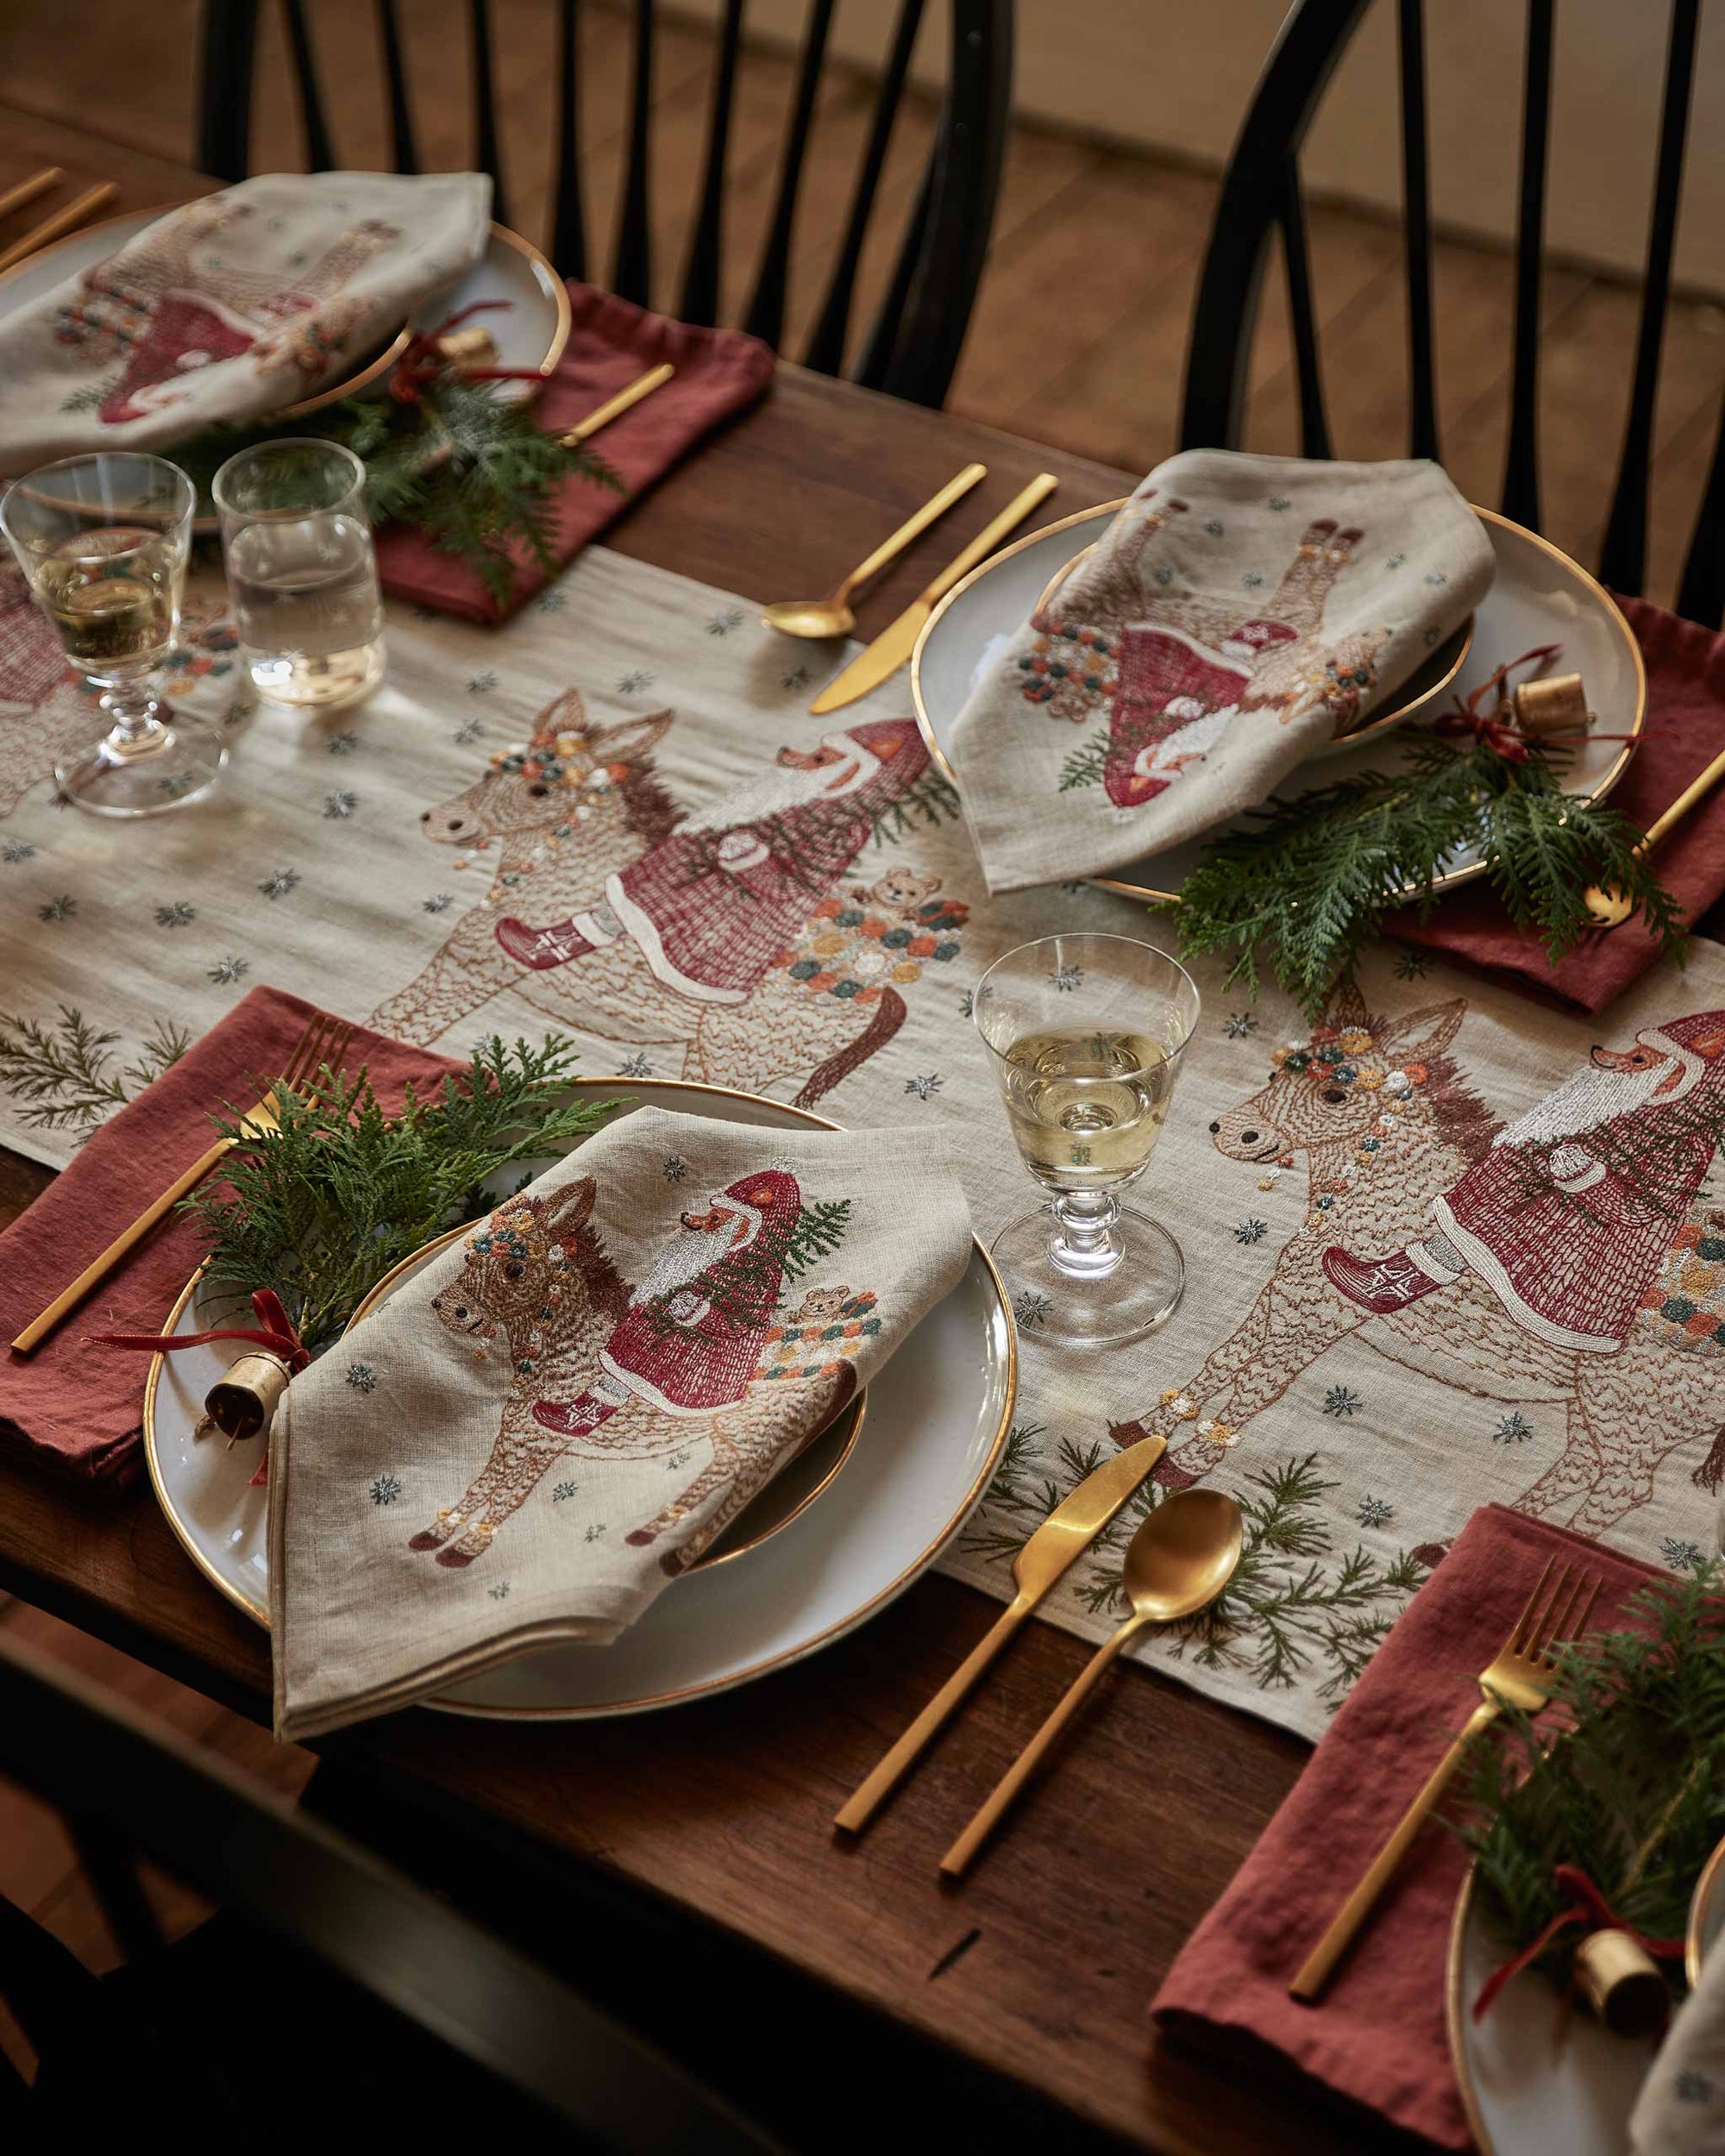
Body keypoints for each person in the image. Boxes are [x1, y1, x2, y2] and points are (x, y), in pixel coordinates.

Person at [1322, 1012, 1725, 1353]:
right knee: (1482, 1216)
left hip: (1582, 1241)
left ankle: (1392, 1285)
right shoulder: (1633, 1106)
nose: (1615, 1062)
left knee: (1486, 1228)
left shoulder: (1683, 1138)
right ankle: (1392, 1282)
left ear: (1683, 1079)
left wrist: (1586, 1177)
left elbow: (1643, 1208)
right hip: (1548, 1204)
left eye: (1638, 1061)